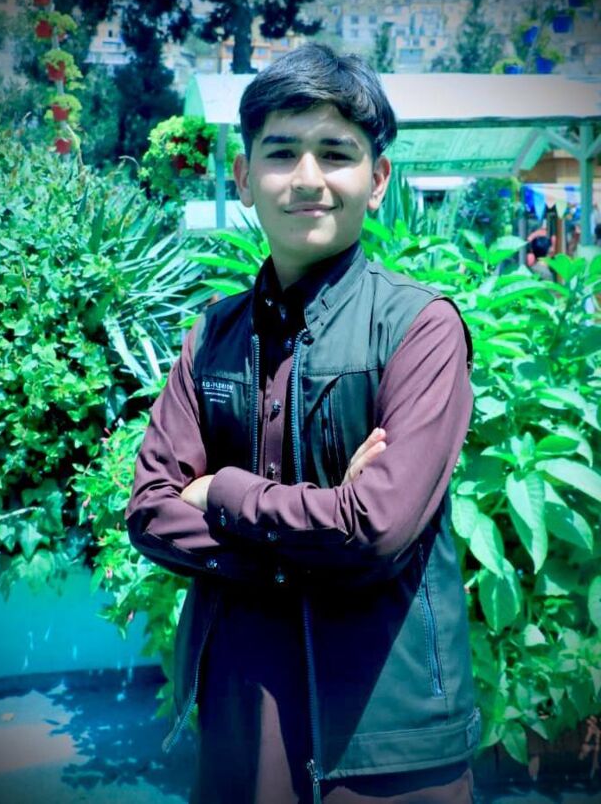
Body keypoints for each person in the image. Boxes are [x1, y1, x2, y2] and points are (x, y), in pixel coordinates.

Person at [126, 43, 479, 804]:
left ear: (377, 180)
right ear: (244, 177)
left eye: (336, 153)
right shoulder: (211, 336)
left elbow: (377, 527)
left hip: (388, 736)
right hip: (241, 713)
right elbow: (150, 511)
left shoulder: (420, 329)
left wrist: (221, 491)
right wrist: (325, 533)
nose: (308, 178)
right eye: (282, 152)